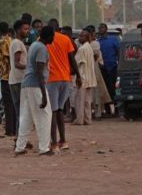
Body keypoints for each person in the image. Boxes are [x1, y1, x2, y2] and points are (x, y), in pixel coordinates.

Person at [15, 26, 56, 156]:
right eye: (53, 36)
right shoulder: (42, 49)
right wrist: (44, 95)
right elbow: (39, 71)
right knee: (44, 115)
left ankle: (20, 147)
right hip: (35, 85)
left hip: (26, 84)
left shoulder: (34, 45)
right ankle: (44, 148)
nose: (54, 38)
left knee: (26, 117)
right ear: (49, 36)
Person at [45, 19, 79, 152]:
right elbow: (72, 58)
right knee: (59, 110)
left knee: (53, 111)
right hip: (65, 78)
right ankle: (63, 141)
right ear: (58, 27)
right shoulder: (65, 39)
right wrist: (78, 75)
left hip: (51, 79)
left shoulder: (43, 39)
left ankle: (53, 143)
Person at [9, 19, 29, 139]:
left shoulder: (17, 42)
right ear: (18, 30)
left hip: (17, 80)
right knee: (21, 112)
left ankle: (21, 138)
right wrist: (31, 67)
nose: (27, 31)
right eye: (25, 29)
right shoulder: (17, 43)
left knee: (21, 112)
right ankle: (19, 139)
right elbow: (17, 64)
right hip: (18, 81)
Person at [73, 29, 96, 125]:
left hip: (82, 77)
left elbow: (78, 64)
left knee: (80, 101)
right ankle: (87, 119)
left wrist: (78, 77)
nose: (79, 37)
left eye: (82, 36)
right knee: (87, 101)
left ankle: (79, 120)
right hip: (89, 78)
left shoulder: (82, 49)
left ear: (86, 38)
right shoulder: (89, 47)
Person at [0, 22, 15, 137]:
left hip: (5, 76)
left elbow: (7, 58)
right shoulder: (11, 40)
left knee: (8, 104)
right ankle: (13, 128)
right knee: (13, 103)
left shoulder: (2, 42)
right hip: (12, 75)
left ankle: (10, 130)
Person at [98, 23, 120, 116]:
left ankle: (117, 110)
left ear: (106, 29)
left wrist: (119, 64)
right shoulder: (98, 41)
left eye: (102, 28)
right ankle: (107, 111)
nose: (100, 29)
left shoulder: (113, 40)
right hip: (102, 69)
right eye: (99, 28)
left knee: (113, 89)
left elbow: (119, 52)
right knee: (104, 90)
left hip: (112, 68)